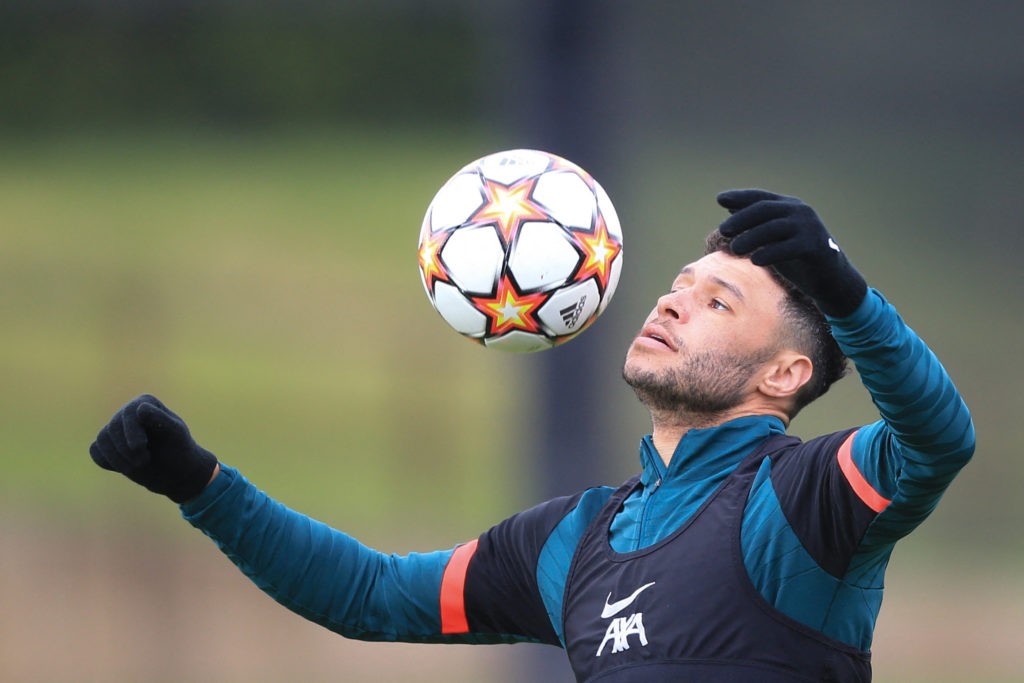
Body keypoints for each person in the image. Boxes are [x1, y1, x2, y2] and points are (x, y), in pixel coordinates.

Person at [89, 189, 975, 682]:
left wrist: (846, 293)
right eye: (678, 283)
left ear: (783, 375)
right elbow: (368, 592)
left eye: (717, 301)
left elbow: (937, 441)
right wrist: (202, 484)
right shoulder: (572, 539)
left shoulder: (806, 497)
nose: (672, 300)